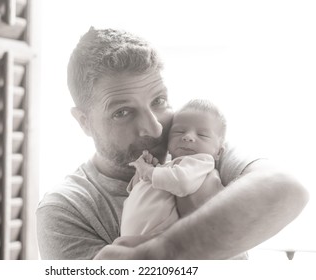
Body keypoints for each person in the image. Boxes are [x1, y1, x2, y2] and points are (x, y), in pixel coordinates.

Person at [36, 27, 309, 260]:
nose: (155, 128)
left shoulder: (196, 147)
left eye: (159, 101)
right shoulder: (66, 209)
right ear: (84, 122)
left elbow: (288, 189)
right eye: (122, 112)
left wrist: (159, 252)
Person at [121, 99, 227, 237]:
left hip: (158, 239)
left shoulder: (202, 161)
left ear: (218, 152)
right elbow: (141, 193)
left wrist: (148, 172)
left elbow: (182, 182)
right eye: (179, 131)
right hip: (132, 239)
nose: (188, 137)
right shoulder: (169, 167)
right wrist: (141, 174)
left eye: (202, 135)